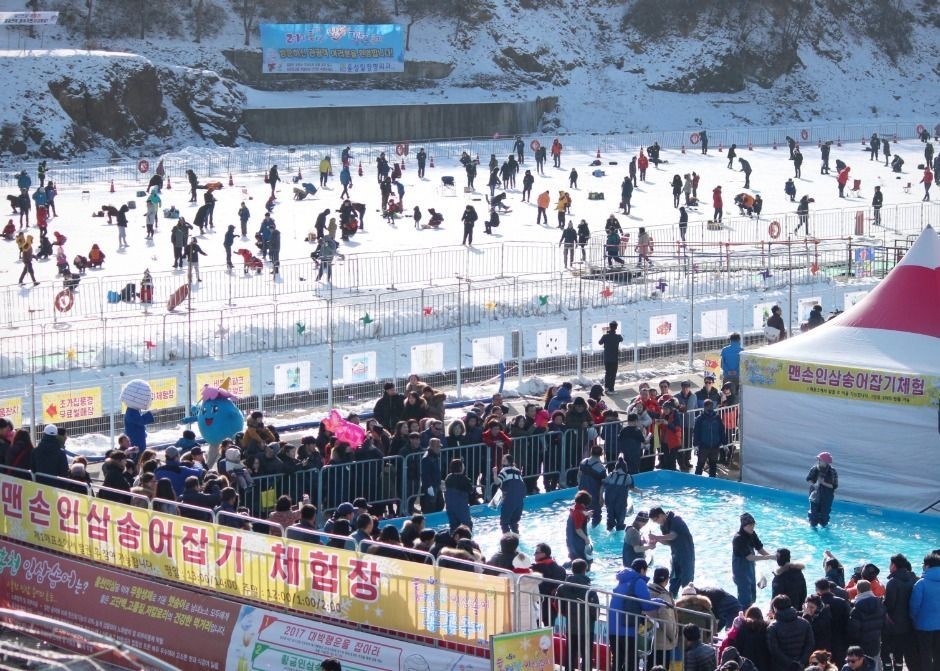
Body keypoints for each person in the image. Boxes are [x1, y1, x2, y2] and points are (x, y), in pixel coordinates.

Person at [609, 559, 661, 671]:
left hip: (612, 628)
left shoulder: (621, 581)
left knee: (617, 661)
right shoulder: (638, 582)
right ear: (642, 570)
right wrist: (661, 602)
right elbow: (647, 605)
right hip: (628, 629)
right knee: (631, 662)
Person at [555, 559, 598, 671]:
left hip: (571, 626)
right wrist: (593, 618)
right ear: (585, 570)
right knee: (586, 655)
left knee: (570, 653)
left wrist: (566, 613)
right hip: (587, 628)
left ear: (572, 569)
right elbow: (595, 611)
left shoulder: (562, 587)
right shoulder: (590, 590)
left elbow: (558, 605)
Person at [649, 506, 695, 597]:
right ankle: (672, 601)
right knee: (673, 581)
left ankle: (688, 601)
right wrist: (657, 540)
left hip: (686, 555)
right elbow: (668, 542)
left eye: (656, 520)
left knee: (687, 582)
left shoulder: (675, 520)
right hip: (675, 555)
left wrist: (657, 537)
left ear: (661, 515)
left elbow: (673, 535)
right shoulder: (663, 526)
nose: (656, 522)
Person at [881, 554, 916, 671]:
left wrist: (882, 603)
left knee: (885, 652)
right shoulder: (912, 579)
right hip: (908, 623)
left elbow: (889, 605)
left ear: (894, 566)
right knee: (899, 653)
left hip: (893, 623)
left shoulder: (893, 582)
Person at [732, 513, 774, 608]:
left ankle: (749, 611)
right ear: (744, 526)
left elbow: (759, 548)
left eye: (753, 525)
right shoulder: (738, 538)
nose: (752, 527)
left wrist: (772, 557)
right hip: (740, 570)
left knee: (752, 595)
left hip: (750, 568)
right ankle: (743, 614)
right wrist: (767, 557)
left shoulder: (752, 534)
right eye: (750, 525)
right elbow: (749, 557)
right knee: (745, 598)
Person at [767, 594, 815, 671]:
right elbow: (810, 644)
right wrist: (801, 661)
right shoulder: (805, 623)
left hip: (782, 667)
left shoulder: (773, 627)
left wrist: (791, 663)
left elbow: (774, 650)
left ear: (775, 608)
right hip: (801, 665)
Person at [910, 552, 940, 671]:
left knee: (925, 654)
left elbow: (914, 606)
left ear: (927, 566)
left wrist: (913, 619)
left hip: (924, 626)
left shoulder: (921, 584)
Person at [529, 543, 567, 627]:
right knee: (549, 629)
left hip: (537, 606)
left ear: (543, 554)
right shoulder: (560, 569)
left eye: (536, 552)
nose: (534, 554)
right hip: (552, 607)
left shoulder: (535, 569)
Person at [848, 580, 885, 663]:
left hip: (862, 642)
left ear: (858, 590)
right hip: (876, 639)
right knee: (875, 662)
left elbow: (854, 630)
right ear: (870, 589)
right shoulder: (879, 604)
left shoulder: (856, 609)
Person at [693, 400, 727, 477]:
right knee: (700, 466)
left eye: (711, 406)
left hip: (715, 446)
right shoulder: (700, 419)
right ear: (704, 407)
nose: (709, 408)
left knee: (713, 466)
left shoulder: (717, 418)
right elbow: (696, 432)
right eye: (708, 406)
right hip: (703, 446)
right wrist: (695, 445)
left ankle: (712, 482)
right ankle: (697, 482)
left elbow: (721, 431)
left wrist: (724, 444)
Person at [604, 457, 639, 532]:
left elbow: (603, 484)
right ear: (625, 468)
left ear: (616, 467)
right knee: (620, 524)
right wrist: (640, 491)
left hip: (609, 503)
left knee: (610, 523)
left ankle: (609, 530)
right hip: (620, 505)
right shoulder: (627, 477)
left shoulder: (610, 475)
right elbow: (632, 488)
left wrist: (600, 496)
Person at [495, 453, 525, 534]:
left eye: (504, 460)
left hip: (509, 499)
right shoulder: (517, 470)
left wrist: (494, 473)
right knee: (514, 523)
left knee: (504, 523)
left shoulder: (504, 470)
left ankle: (507, 539)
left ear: (508, 462)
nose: (502, 461)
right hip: (519, 500)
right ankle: (516, 537)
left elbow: (497, 482)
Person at [806, 451, 838, 528]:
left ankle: (824, 526)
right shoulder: (814, 469)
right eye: (819, 459)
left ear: (826, 462)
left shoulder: (832, 471)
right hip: (814, 494)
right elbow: (809, 479)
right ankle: (813, 526)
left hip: (827, 496)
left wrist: (823, 483)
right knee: (813, 514)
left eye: (821, 460)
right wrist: (814, 485)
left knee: (824, 515)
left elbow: (834, 486)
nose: (819, 461)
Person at [566, 490, 593, 568]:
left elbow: (579, 521)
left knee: (574, 559)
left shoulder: (574, 508)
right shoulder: (578, 513)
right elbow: (578, 529)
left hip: (571, 539)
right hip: (577, 540)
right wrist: (586, 539)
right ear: (583, 503)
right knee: (584, 561)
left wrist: (587, 515)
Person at [597, 321, 623, 392]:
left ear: (610, 327)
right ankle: (611, 389)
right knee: (613, 374)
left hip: (607, 358)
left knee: (607, 373)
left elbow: (600, 342)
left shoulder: (605, 336)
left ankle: (606, 387)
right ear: (616, 328)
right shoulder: (618, 336)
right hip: (614, 358)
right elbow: (621, 339)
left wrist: (607, 333)